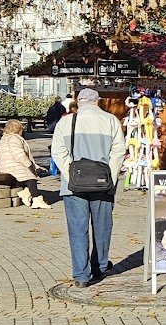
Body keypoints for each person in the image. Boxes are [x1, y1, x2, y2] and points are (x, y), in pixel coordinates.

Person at [51, 89, 125, 287]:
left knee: (77, 229)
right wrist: (110, 175)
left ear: (79, 102)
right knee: (102, 227)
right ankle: (100, 267)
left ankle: (81, 275)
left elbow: (57, 151)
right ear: (97, 101)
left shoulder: (66, 122)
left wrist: (70, 173)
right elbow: (119, 152)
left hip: (73, 186)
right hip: (103, 183)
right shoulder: (111, 121)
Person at [0, 118, 46, 209]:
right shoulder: (13, 139)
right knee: (31, 175)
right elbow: (19, 154)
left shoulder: (4, 138)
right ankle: (36, 200)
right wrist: (29, 165)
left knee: (36, 172)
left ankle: (26, 192)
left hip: (7, 165)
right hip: (13, 166)